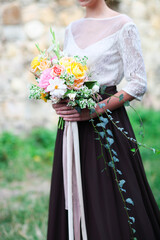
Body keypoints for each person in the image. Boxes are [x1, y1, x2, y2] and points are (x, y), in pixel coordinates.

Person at [47, 0, 160, 239]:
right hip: (71, 128)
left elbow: (138, 83)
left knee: (108, 199)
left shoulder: (124, 25)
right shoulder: (71, 29)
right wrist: (57, 97)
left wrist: (94, 110)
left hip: (105, 124)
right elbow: (66, 78)